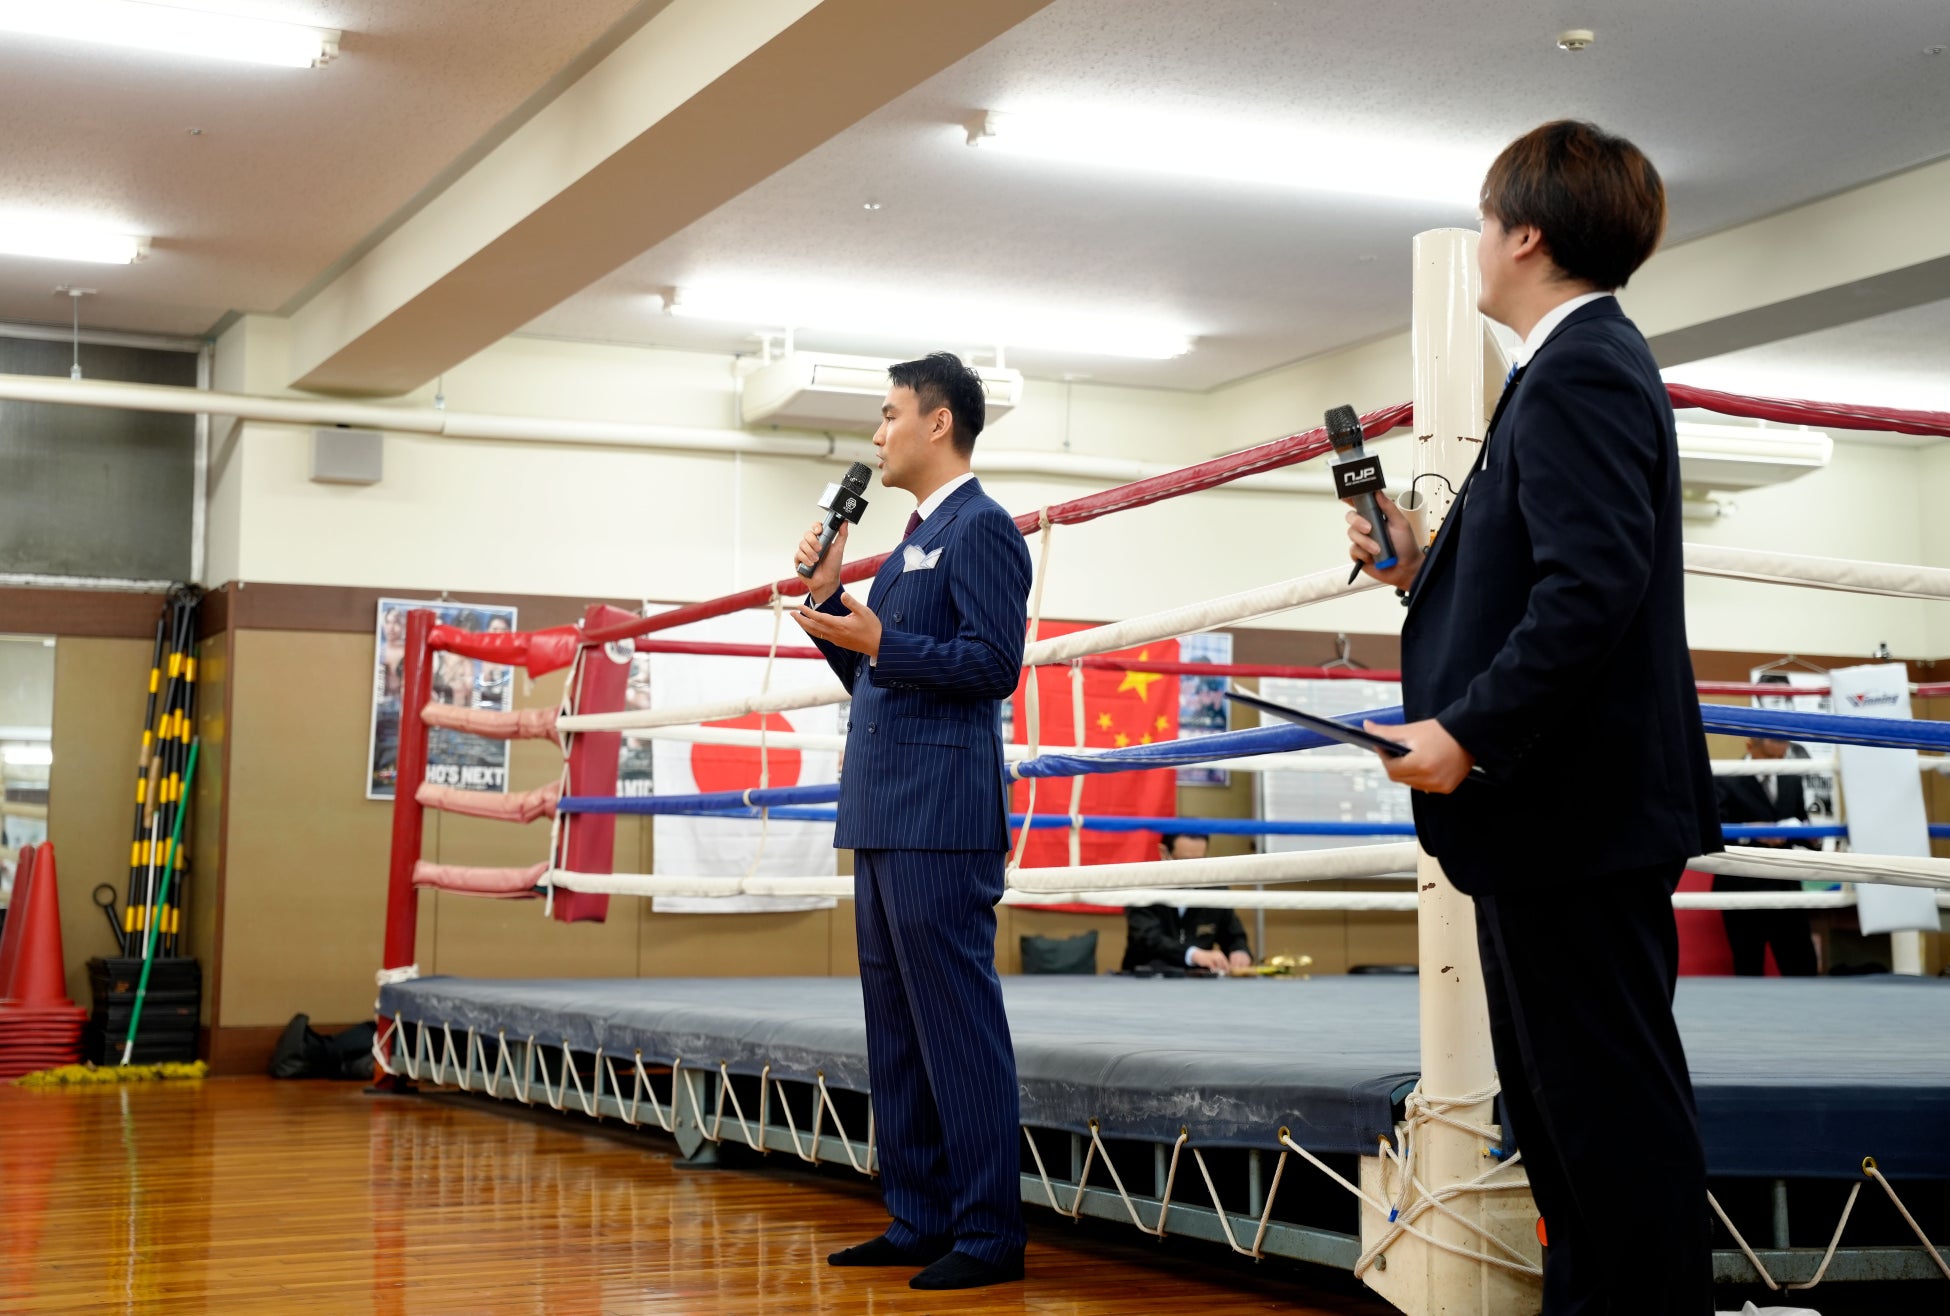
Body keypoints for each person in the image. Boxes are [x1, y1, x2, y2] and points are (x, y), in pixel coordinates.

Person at [1346, 121, 1720, 1313]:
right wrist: (1419, 562)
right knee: (1564, 1116)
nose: (1474, 243)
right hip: (1553, 812)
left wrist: (1468, 731)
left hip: (1576, 811)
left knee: (1606, 1114)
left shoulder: (1584, 365)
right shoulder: (1561, 368)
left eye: (1482, 218)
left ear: (1526, 233)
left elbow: (1593, 586)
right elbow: (1547, 571)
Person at [791, 351, 1033, 1291]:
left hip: (943, 814)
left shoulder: (981, 530)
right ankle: (919, 1214)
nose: (878, 435)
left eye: (890, 415)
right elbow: (876, 675)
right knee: (895, 1026)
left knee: (957, 1026)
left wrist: (884, 636)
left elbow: (992, 665)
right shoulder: (905, 545)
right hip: (886, 806)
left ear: (939, 423)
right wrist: (828, 600)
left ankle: (988, 1234)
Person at [1714, 737, 1820, 975]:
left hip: (1786, 885)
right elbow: (1712, 831)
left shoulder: (1791, 778)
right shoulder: (1724, 776)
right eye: (1771, 757)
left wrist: (1812, 836)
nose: (1776, 763)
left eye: (1781, 757)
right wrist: (1750, 832)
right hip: (1742, 886)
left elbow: (1801, 823)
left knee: (1803, 966)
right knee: (1749, 965)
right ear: (1750, 746)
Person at [1120, 833, 1253, 974]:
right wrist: (1193, 955)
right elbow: (1148, 938)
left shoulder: (1215, 889)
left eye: (1199, 861)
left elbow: (1233, 935)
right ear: (1164, 852)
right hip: (1145, 979)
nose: (1192, 869)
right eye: (1184, 861)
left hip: (1200, 982)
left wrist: (1239, 952)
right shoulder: (1141, 887)